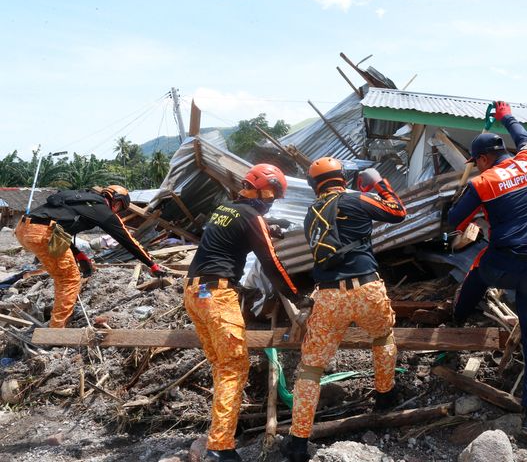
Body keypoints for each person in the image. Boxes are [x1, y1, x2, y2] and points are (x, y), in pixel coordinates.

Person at [448, 100, 527, 443]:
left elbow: (454, 222)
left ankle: (457, 319)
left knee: (480, 267)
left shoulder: (482, 183)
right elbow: (522, 135)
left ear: (482, 159)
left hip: (503, 265)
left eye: (476, 161)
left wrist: (467, 205)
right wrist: (505, 115)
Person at [282, 157, 406, 462]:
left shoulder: (311, 214)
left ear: (314, 185)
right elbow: (398, 212)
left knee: (311, 367)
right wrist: (379, 183)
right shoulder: (355, 199)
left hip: (327, 297)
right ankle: (385, 396)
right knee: (383, 337)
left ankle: (298, 441)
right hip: (366, 289)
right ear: (343, 178)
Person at [184, 163, 299, 462]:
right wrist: (298, 297)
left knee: (222, 366)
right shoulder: (251, 215)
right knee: (234, 367)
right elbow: (272, 264)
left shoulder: (225, 209)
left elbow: (231, 237)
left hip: (194, 293)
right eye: (272, 193)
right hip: (217, 296)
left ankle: (219, 435)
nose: (272, 199)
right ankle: (220, 447)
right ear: (260, 188)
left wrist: (268, 228)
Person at [14, 185, 163, 328]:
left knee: (62, 274)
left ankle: (58, 318)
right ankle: (57, 329)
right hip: (43, 233)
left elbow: (60, 230)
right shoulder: (102, 210)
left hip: (23, 229)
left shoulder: (82, 200)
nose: (117, 212)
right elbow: (128, 241)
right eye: (120, 208)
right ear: (116, 202)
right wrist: (152, 265)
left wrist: (80, 255)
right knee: (69, 279)